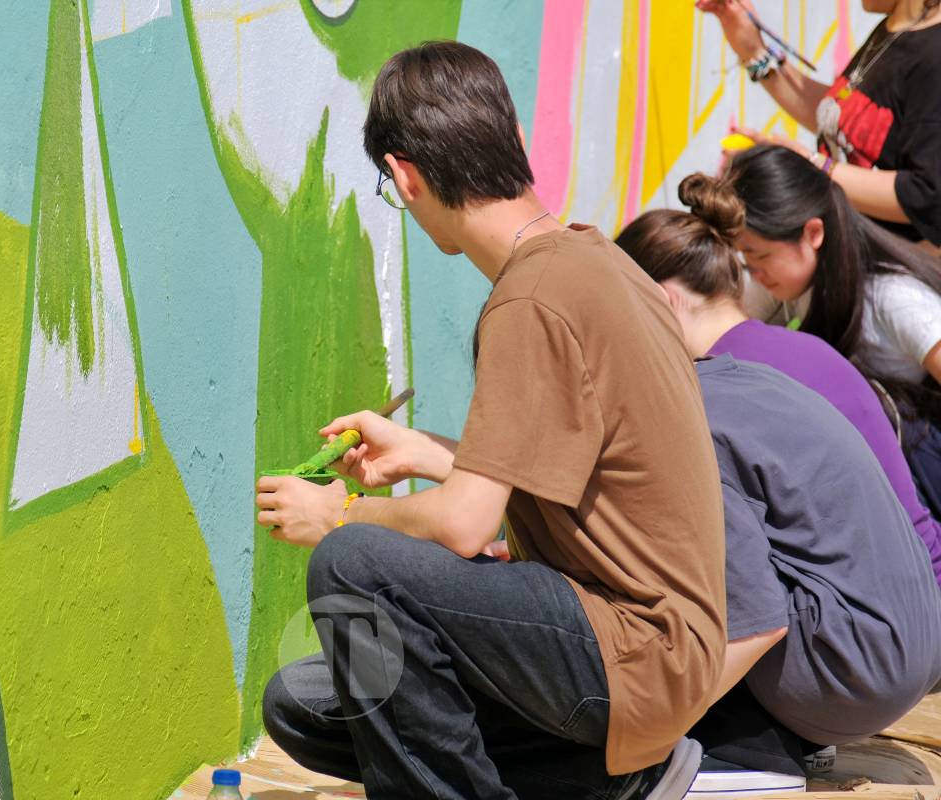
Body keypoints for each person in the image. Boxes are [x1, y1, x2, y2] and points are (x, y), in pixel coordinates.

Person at [256, 41, 727, 800]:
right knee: (306, 706)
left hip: (633, 653)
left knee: (353, 569)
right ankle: (608, 777)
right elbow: (566, 469)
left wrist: (336, 515)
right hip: (658, 662)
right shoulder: (592, 261)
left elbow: (463, 528)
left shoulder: (530, 301)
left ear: (405, 177)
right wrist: (425, 450)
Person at [614, 173, 941, 584]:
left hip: (885, 612)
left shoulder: (719, 386)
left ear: (662, 301)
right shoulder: (807, 348)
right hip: (921, 584)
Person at [687, 354, 941, 795]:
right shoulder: (750, 373)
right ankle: (800, 733)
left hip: (853, 676)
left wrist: (649, 724)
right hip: (916, 644)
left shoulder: (687, 423)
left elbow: (755, 625)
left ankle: (750, 750)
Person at [721, 144, 941, 514]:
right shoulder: (784, 288)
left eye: (760, 257)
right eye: (745, 261)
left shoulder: (892, 298)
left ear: (813, 233)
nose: (754, 273)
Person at [698, 0, 941, 247]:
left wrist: (811, 164)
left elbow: (926, 193)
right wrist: (755, 53)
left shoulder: (934, 54)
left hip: (894, 267)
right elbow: (844, 117)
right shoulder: (899, 28)